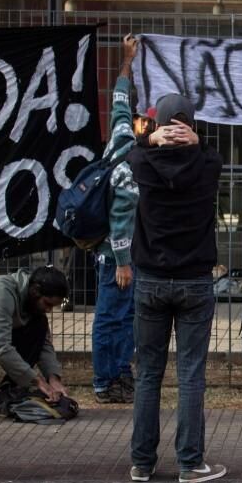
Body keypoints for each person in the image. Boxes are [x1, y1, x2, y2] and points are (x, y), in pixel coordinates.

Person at [127, 90, 225, 483]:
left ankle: (142, 462)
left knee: (148, 373)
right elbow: (213, 156)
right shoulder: (207, 164)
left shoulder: (144, 162)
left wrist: (148, 139)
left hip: (150, 278)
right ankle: (189, 462)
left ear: (161, 126)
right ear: (191, 125)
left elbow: (129, 153)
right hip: (194, 280)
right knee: (190, 374)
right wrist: (197, 142)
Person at [91, 34, 141, 405]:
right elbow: (122, 214)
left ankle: (119, 373)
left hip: (115, 253)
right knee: (114, 316)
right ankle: (106, 380)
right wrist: (124, 261)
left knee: (122, 316)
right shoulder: (132, 163)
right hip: (116, 255)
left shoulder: (121, 135)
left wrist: (127, 60)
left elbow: (120, 99)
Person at [0, 267, 69, 405]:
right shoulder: (2, 292)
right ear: (35, 291)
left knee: (39, 326)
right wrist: (38, 381)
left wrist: (53, 379)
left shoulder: (32, 301)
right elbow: (1, 348)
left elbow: (43, 344)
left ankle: (10, 389)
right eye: (47, 304)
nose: (49, 310)